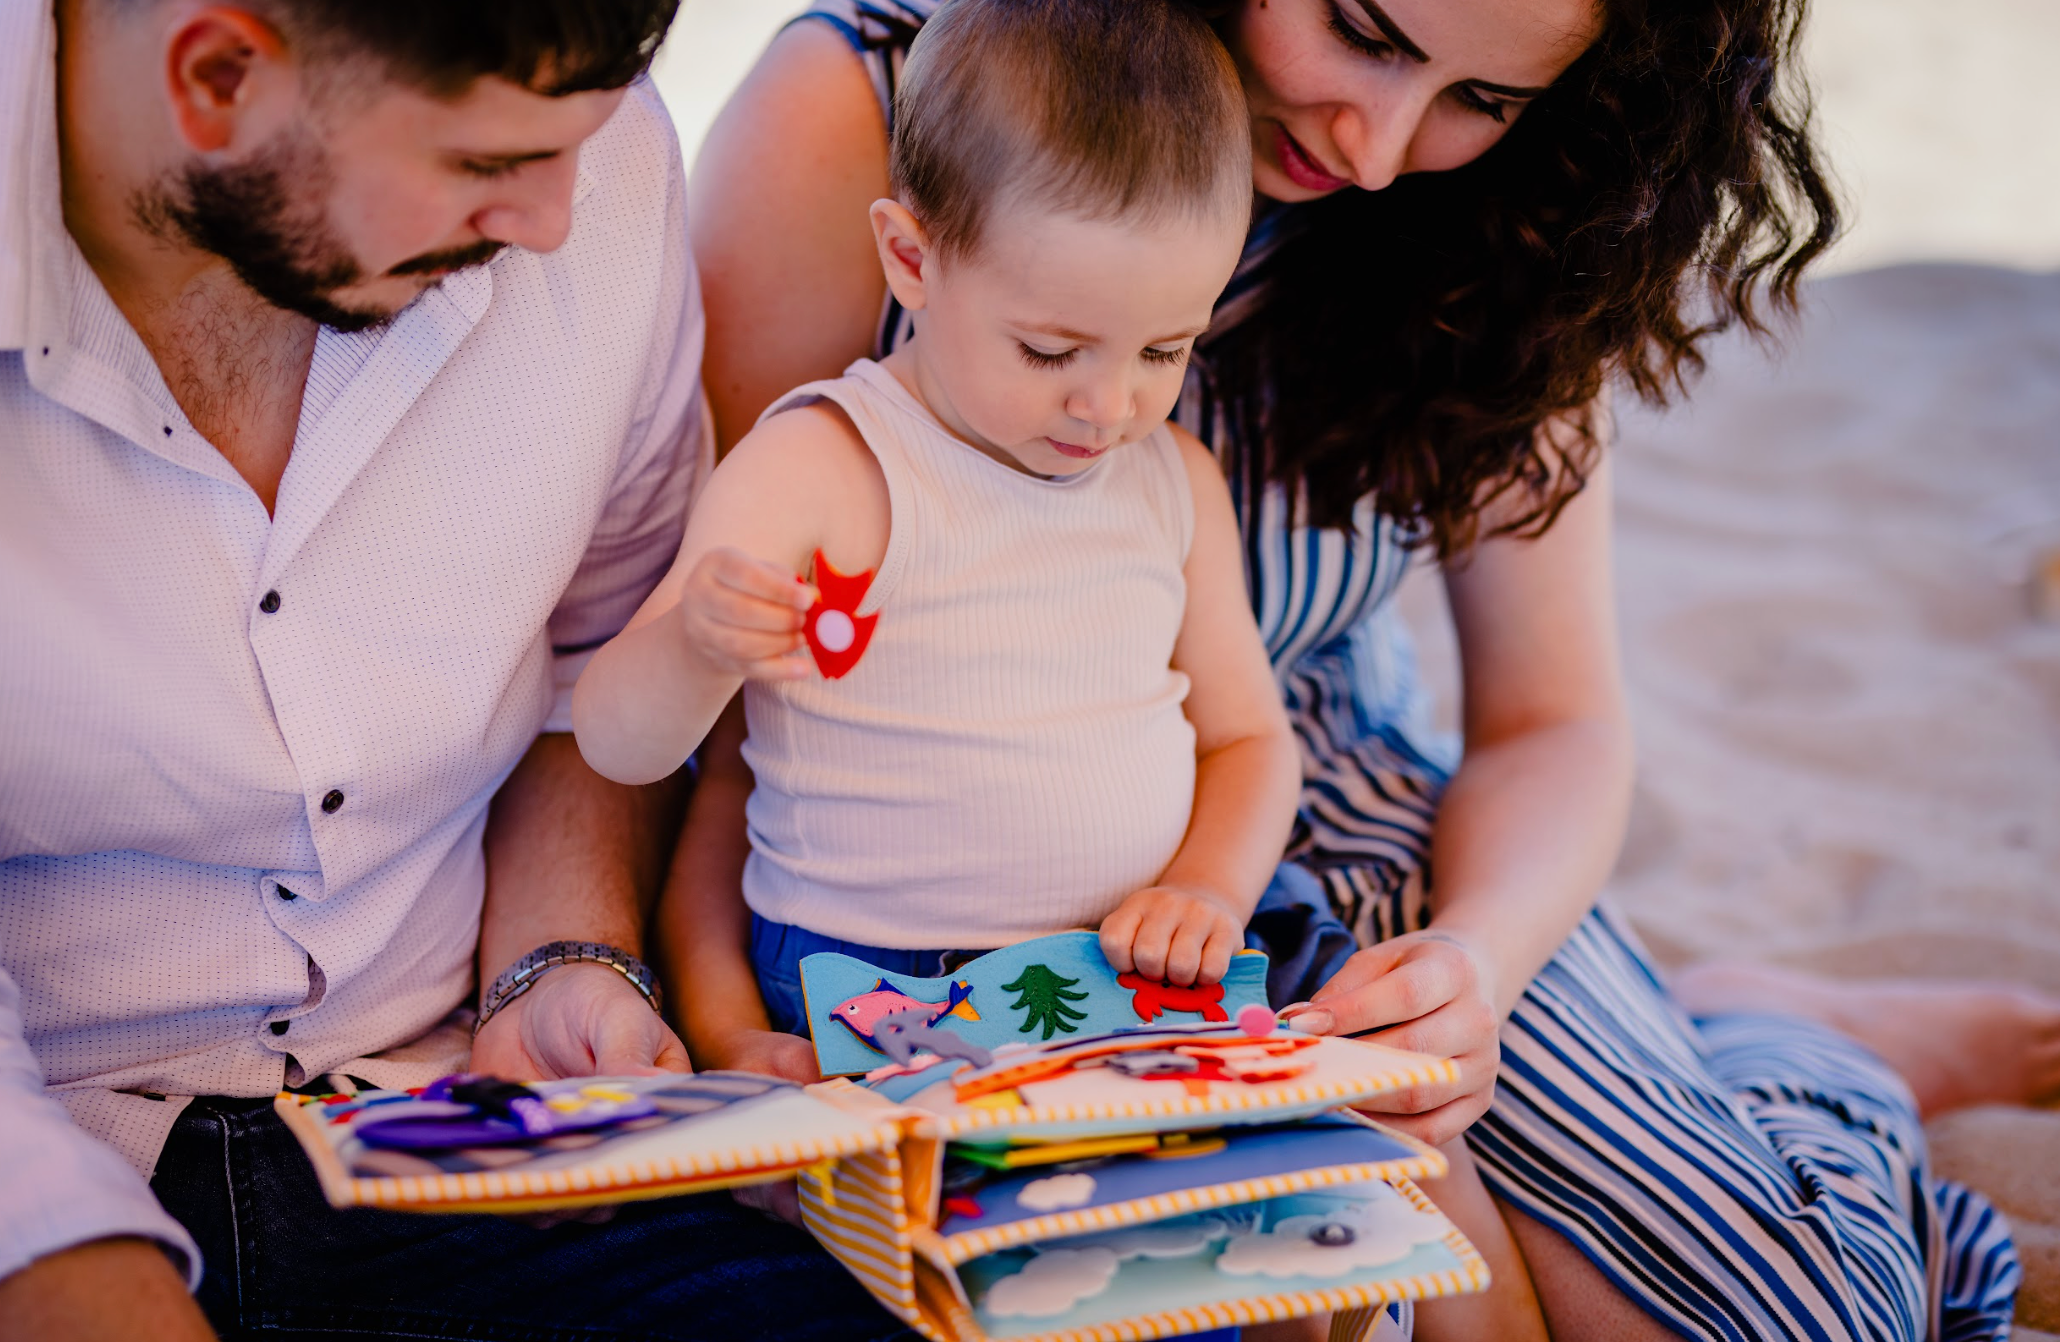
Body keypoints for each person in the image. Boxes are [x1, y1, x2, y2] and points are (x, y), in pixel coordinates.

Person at [665, 0, 2048, 1338]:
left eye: (1482, 100)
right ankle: (1700, 1025)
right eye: (1366, 33)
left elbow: (1552, 718)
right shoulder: (878, 108)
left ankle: (1786, 1040)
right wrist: (679, 986)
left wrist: (1477, 964)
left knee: (1787, 1318)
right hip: (951, 872)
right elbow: (718, 673)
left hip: (1340, 800)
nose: (1377, 149)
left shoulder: (1515, 226)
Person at [0, 1, 910, 1338]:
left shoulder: (588, 159)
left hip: (449, 1122)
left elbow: (599, 644)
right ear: (218, 74)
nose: (553, 222)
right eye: (488, 170)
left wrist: (558, 959)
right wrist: (55, 1250)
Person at [573, 0, 1302, 1041]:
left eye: (1163, 349)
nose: (1110, 407)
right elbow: (622, 744)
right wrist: (693, 644)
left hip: (1127, 974)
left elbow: (1247, 741)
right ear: (911, 260)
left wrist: (1207, 891)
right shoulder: (826, 465)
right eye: (1051, 351)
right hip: (876, 986)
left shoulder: (1171, 482)